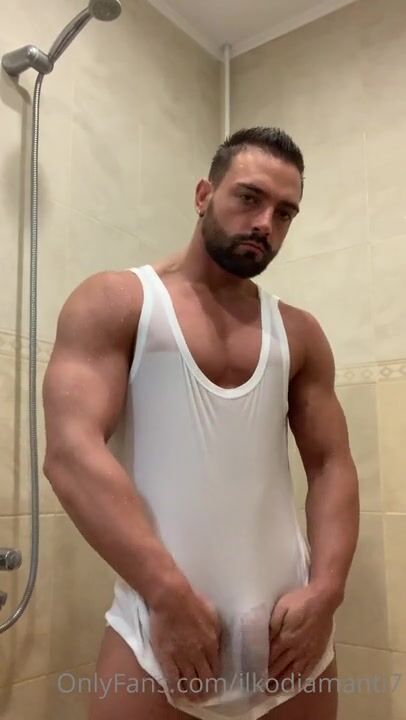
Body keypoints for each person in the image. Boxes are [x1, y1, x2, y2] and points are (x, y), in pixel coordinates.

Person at [42, 126, 360, 720]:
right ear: (203, 195)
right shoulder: (118, 302)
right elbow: (70, 452)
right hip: (157, 633)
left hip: (292, 646)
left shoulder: (299, 333)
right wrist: (166, 592)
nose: (265, 222)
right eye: (249, 197)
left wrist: (328, 591)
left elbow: (331, 465)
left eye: (285, 212)